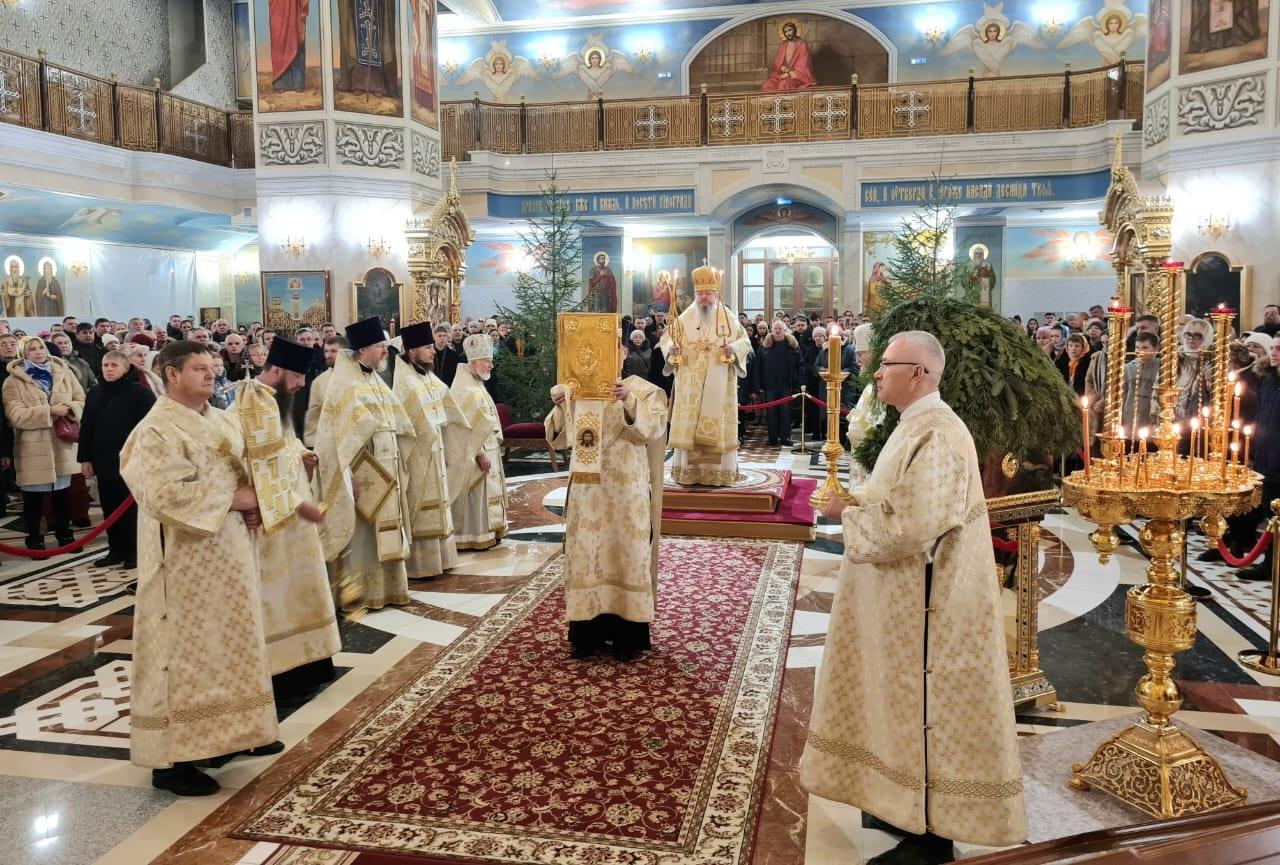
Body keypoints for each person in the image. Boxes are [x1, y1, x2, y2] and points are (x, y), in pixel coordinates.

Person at [803, 331, 1026, 865]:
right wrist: (858, 500)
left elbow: (915, 522)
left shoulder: (941, 434)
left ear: (919, 373)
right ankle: (903, 801)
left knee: (927, 706)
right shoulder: (915, 426)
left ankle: (931, 835)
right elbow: (899, 498)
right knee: (897, 700)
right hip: (904, 600)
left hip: (930, 607)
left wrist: (845, 516)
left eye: (886, 365)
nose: (876, 373)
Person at [119, 341, 281, 796]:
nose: (212, 375)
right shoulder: (154, 432)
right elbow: (163, 495)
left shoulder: (220, 418)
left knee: (232, 642)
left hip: (228, 555)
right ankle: (174, 762)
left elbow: (246, 472)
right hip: (184, 564)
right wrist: (236, 500)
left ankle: (236, 733)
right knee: (189, 653)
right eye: (199, 369)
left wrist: (255, 501)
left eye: (214, 368)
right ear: (171, 374)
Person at [230, 337, 341, 705]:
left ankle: (310, 665)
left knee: (300, 587)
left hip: (291, 515)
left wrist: (302, 454)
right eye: (296, 376)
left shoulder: (273, 401)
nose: (301, 384)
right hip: (274, 522)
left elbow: (283, 447)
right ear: (275, 371)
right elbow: (263, 470)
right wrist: (300, 505)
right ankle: (286, 675)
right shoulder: (254, 405)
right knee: (280, 597)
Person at [545, 369, 667, 661]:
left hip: (627, 491)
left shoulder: (643, 389)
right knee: (586, 555)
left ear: (622, 352)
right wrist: (561, 404)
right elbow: (557, 438)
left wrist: (629, 401)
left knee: (627, 554)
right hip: (588, 493)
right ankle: (586, 637)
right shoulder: (578, 389)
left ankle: (629, 638)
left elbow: (652, 431)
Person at [315, 318, 415, 611]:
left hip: (386, 466)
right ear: (363, 349)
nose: (386, 351)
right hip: (362, 472)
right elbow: (341, 441)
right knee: (363, 537)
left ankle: (388, 588)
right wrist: (351, 477)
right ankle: (362, 593)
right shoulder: (345, 385)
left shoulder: (373, 379)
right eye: (380, 346)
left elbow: (395, 420)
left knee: (384, 532)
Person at [658, 265, 750, 486]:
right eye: (700, 294)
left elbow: (745, 342)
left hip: (719, 382)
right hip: (690, 385)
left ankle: (720, 473)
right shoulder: (684, 318)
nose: (704, 298)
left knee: (715, 424)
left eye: (708, 293)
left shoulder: (728, 318)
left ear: (716, 294)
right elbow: (666, 339)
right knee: (690, 427)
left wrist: (734, 350)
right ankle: (688, 472)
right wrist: (671, 349)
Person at [392, 323, 470, 579]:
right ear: (412, 350)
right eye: (427, 348)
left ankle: (442, 558)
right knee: (422, 502)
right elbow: (406, 420)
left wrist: (461, 424)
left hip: (435, 450)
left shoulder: (426, 375)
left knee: (439, 502)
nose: (432, 352)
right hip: (418, 454)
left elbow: (446, 400)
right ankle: (420, 564)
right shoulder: (404, 381)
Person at [4, 335, 87, 550]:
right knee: (33, 499)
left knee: (62, 494)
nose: (39, 351)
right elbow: (15, 415)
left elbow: (81, 398)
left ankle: (64, 534)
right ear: (24, 354)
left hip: (61, 443)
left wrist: (69, 409)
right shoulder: (13, 381)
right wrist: (49, 411)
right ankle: (34, 538)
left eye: (40, 347)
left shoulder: (64, 373)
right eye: (32, 349)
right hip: (33, 446)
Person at [78, 350, 155, 568]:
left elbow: (150, 429)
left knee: (130, 510)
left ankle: (134, 552)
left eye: (114, 365)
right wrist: (85, 458)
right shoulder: (94, 392)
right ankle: (116, 550)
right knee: (110, 507)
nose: (109, 369)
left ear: (125, 368)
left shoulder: (140, 393)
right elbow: (87, 428)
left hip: (133, 461)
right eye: (105, 365)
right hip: (104, 460)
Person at [446, 334, 508, 550]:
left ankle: (492, 529)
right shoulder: (462, 387)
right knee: (476, 493)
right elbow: (463, 427)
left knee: (488, 491)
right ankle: (474, 534)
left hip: (488, 445)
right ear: (474, 362)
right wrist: (479, 452)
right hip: (474, 451)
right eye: (487, 361)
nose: (491, 365)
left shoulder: (477, 382)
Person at [757, 320, 801, 446]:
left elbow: (800, 365)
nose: (777, 330)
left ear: (784, 329)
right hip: (770, 385)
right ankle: (772, 437)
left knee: (786, 412)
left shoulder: (792, 345)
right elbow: (758, 366)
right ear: (772, 329)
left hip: (786, 384)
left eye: (780, 328)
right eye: (775, 328)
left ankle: (785, 437)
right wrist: (758, 385)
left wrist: (800, 383)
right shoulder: (765, 345)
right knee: (771, 412)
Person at [303, 335, 347, 448]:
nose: (328, 355)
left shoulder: (358, 376)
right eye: (326, 351)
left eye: (333, 351)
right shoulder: (319, 382)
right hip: (329, 442)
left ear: (345, 352)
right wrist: (311, 445)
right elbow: (313, 416)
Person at [1123, 331, 1161, 433]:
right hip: (1129, 419)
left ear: (1156, 349)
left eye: (1145, 348)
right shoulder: (1128, 368)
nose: (1140, 351)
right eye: (1138, 348)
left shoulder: (1161, 367)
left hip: (1150, 420)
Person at [763, 20, 817, 90]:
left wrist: (789, 74)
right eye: (785, 32)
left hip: (799, 76)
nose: (788, 33)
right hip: (783, 74)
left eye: (789, 30)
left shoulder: (802, 44)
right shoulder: (783, 45)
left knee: (783, 84)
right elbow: (777, 63)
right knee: (766, 85)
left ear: (794, 30)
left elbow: (803, 65)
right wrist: (783, 69)